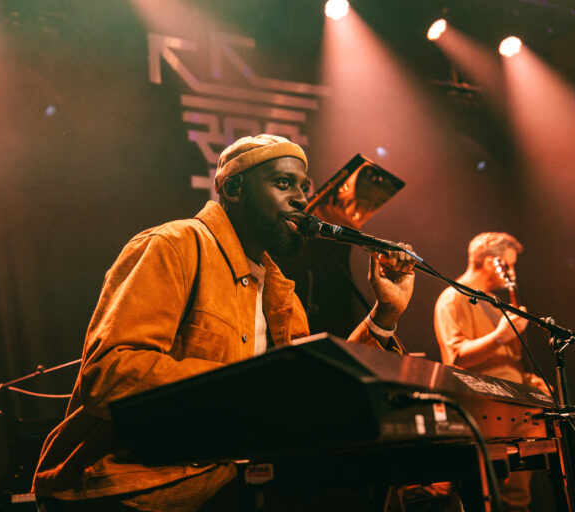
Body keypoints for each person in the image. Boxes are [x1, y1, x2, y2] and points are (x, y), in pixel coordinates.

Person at [32, 134, 416, 511]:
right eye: (283, 183)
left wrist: (385, 315)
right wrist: (248, 388)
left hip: (234, 473)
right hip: (143, 482)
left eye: (304, 186)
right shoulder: (174, 245)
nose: (301, 198)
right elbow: (109, 376)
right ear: (233, 189)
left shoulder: (281, 291)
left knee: (402, 485)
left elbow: (314, 394)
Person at [433, 232, 549, 512]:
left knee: (518, 499)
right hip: (483, 417)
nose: (512, 273)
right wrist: (499, 337)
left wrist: (531, 382)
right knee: (490, 497)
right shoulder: (453, 298)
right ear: (488, 261)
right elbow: (456, 356)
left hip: (517, 414)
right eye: (508, 265)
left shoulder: (496, 304)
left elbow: (506, 362)